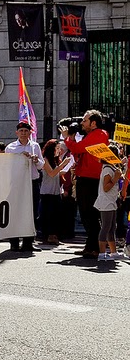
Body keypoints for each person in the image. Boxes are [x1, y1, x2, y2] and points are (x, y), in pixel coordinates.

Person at [62, 110, 110, 258]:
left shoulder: (100, 133)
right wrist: (71, 138)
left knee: (89, 213)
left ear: (93, 122)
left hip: (91, 179)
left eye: (85, 120)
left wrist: (67, 139)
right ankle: (90, 246)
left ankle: (95, 247)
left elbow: (77, 148)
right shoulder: (91, 135)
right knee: (85, 213)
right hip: (85, 177)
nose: (82, 123)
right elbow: (78, 151)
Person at [4, 122, 44, 252]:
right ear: (17, 133)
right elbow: (6, 165)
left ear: (29, 133)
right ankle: (14, 242)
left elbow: (41, 166)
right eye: (21, 131)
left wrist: (35, 159)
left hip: (32, 182)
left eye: (26, 131)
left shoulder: (35, 146)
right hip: (16, 183)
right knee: (15, 212)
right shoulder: (11, 147)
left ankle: (28, 242)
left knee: (32, 213)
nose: (23, 133)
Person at [95, 145, 125, 260]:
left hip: (111, 201)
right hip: (106, 202)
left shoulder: (111, 167)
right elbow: (106, 187)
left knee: (112, 227)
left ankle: (113, 252)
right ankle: (102, 253)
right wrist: (116, 178)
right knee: (106, 227)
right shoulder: (107, 169)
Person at [38, 140, 70, 246]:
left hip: (56, 191)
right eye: (57, 148)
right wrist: (63, 164)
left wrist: (67, 167)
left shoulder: (55, 160)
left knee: (57, 214)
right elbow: (51, 173)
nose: (59, 151)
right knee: (49, 214)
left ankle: (54, 235)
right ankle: (49, 235)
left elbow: (57, 172)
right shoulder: (45, 159)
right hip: (47, 191)